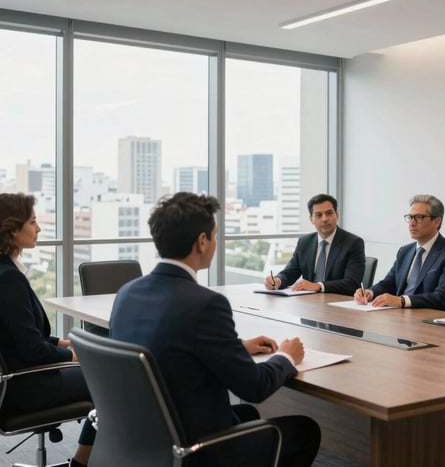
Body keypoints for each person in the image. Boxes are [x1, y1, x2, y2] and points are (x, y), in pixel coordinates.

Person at [109, 192, 320, 467]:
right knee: (304, 430)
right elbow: (255, 386)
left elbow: (165, 346)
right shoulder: (205, 304)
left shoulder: (127, 292)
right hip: (194, 447)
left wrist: (237, 348)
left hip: (143, 437)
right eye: (216, 235)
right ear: (202, 241)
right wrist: (287, 357)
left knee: (247, 415)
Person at [0, 193, 95, 467]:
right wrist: (76, 357)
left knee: (102, 372)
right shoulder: (6, 280)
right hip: (24, 385)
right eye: (33, 222)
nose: (38, 229)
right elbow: (33, 350)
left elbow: (18, 335)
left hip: (3, 380)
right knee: (111, 380)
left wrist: (61, 343)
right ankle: (84, 462)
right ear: (11, 228)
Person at [354, 194, 445, 311]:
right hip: (397, 316)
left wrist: (403, 301)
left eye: (419, 217)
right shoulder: (405, 251)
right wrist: (370, 292)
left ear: (437, 222)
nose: (412, 223)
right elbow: (389, 283)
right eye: (410, 217)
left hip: (427, 320)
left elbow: (442, 297)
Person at [265, 193, 365, 296]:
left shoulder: (353, 243)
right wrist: (277, 280)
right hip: (310, 303)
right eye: (318, 215)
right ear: (311, 219)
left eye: (329, 213)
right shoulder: (304, 242)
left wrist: (318, 286)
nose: (324, 219)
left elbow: (352, 283)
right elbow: (290, 272)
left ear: (337, 215)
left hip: (337, 304)